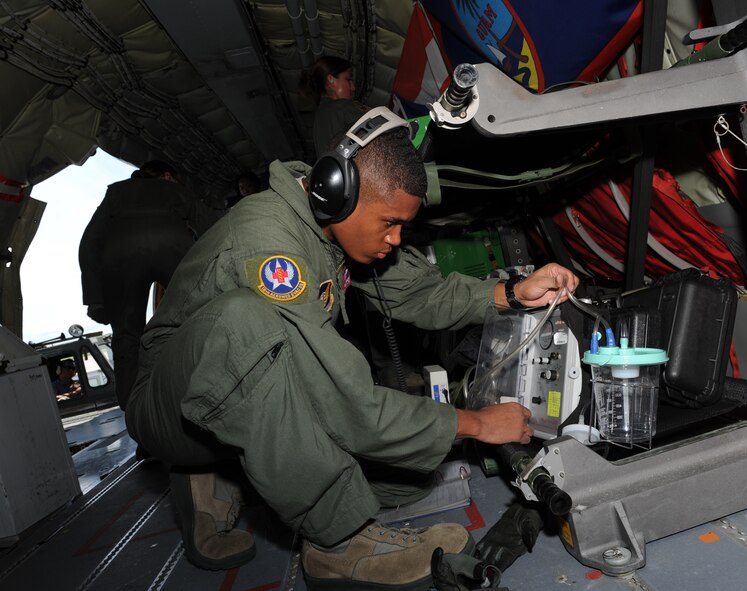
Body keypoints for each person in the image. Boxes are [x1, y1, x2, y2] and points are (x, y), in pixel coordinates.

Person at [124, 108, 578, 590]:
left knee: (403, 479)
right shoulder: (269, 249)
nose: (396, 239)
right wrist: (478, 424)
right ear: (337, 192)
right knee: (245, 320)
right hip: (170, 407)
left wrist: (511, 292)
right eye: (388, 223)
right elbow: (347, 404)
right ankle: (336, 544)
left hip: (234, 388)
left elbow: (418, 292)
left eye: (403, 225)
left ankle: (228, 466)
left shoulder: (333, 224)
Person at [79, 160, 198, 411]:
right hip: (174, 247)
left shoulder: (116, 192)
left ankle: (135, 413)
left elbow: (89, 243)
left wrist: (95, 297)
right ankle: (201, 396)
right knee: (197, 320)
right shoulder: (178, 191)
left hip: (121, 257)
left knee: (126, 337)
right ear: (167, 176)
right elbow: (212, 228)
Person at [306, 55, 367, 154]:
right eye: (348, 79)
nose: (353, 87)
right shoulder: (342, 107)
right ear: (331, 79)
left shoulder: (320, 118)